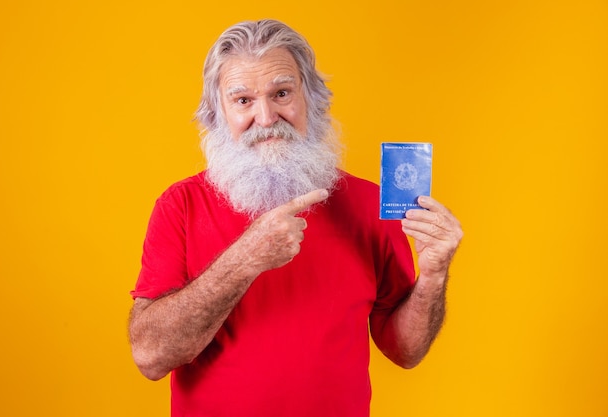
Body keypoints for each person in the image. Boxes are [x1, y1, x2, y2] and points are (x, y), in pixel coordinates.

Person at [129, 19, 463, 417]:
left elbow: (405, 351)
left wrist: (434, 276)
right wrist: (247, 258)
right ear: (217, 114)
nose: (266, 117)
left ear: (312, 100)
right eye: (243, 101)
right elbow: (151, 356)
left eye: (281, 93)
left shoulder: (370, 203)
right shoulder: (180, 205)